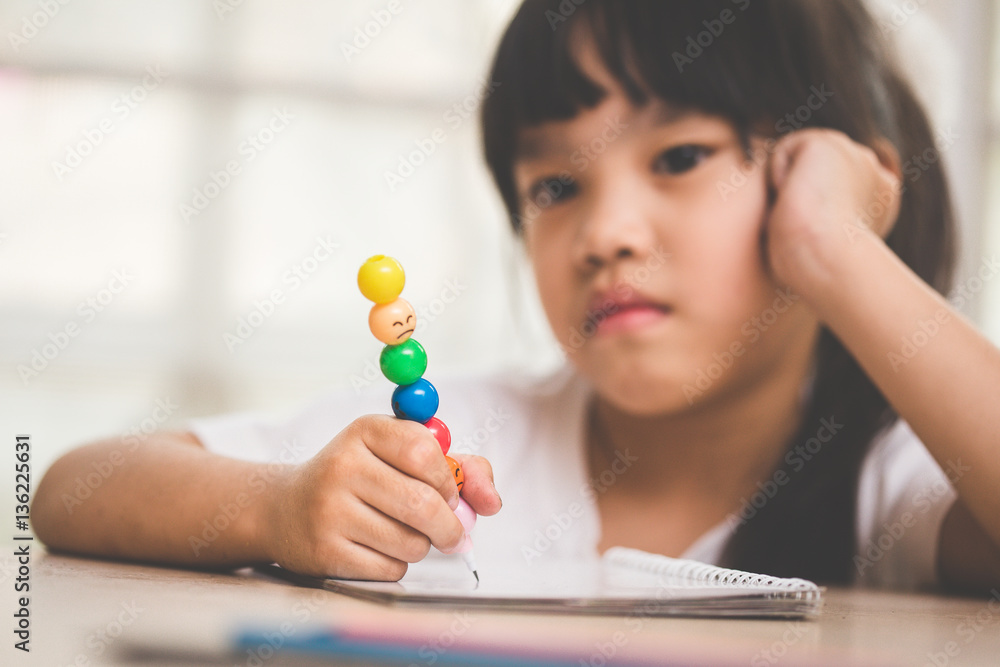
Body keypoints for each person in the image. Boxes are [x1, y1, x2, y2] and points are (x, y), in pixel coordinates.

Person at [33, 0, 1000, 592]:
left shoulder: (886, 485)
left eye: (680, 156)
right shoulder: (456, 436)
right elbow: (71, 485)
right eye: (554, 186)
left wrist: (840, 250)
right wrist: (280, 506)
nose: (606, 232)